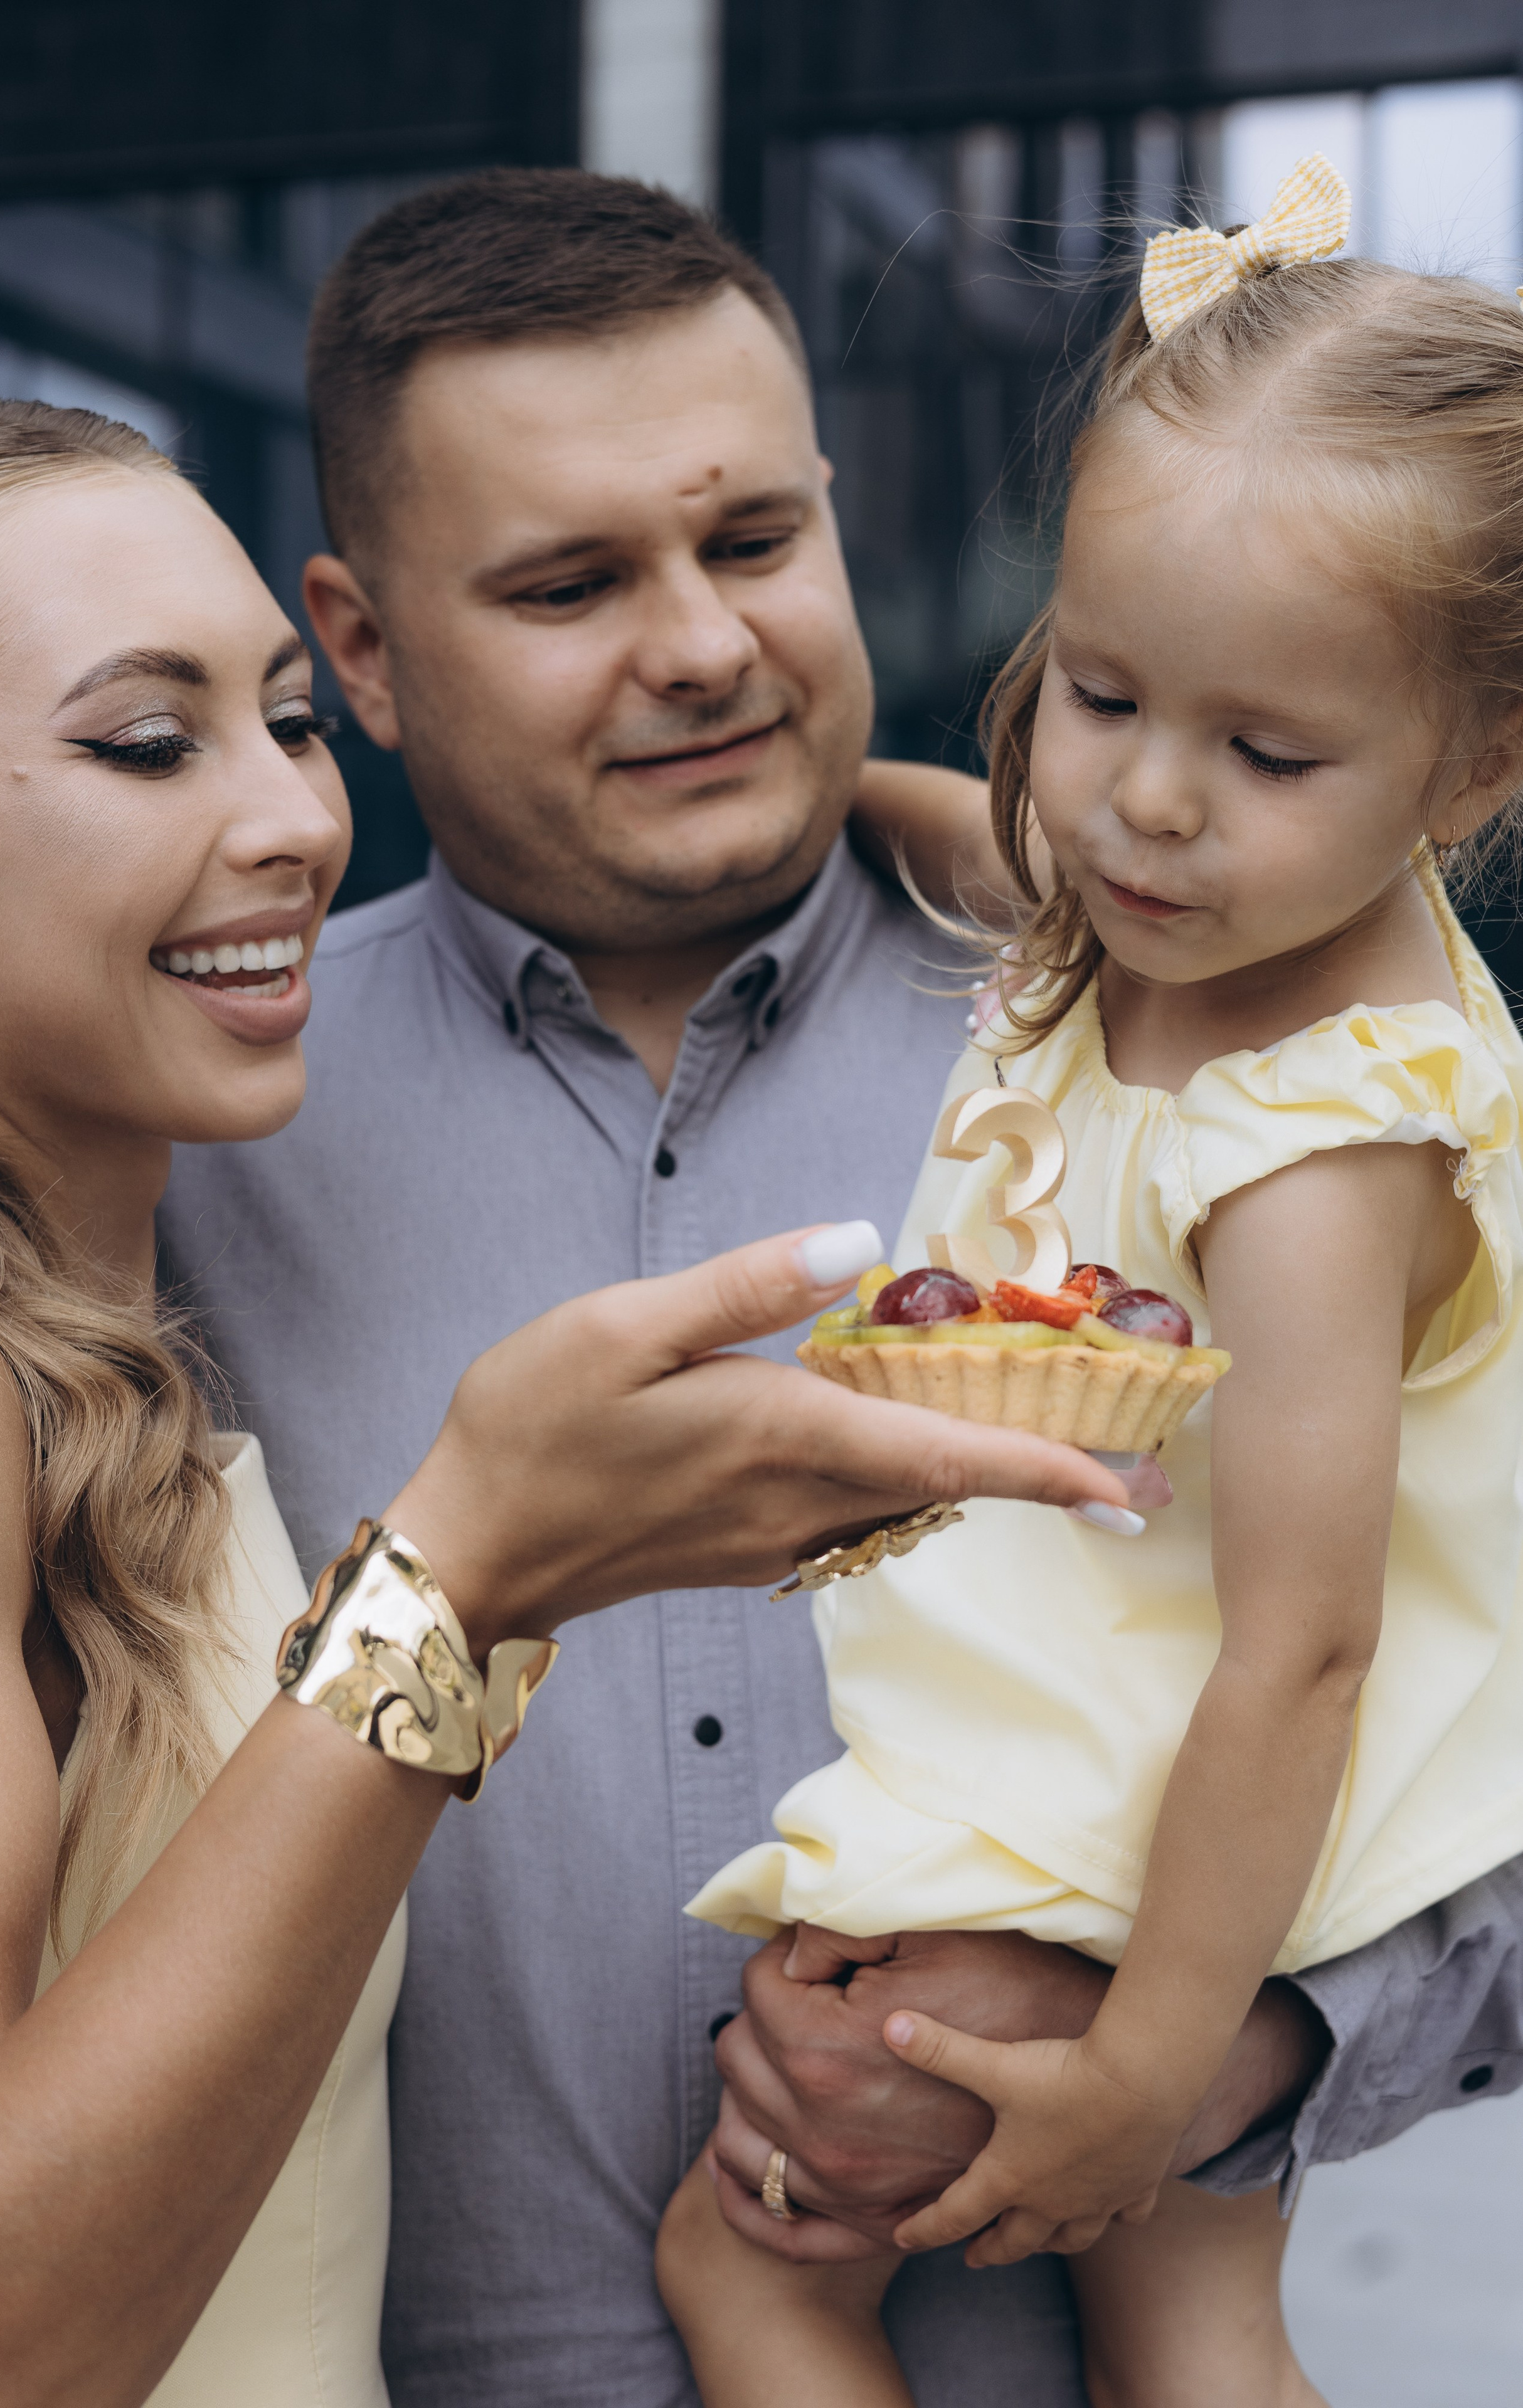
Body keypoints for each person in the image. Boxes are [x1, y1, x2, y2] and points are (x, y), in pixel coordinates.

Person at [161, 169, 1523, 2406]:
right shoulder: (193, 1155)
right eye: (571, 581)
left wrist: (1210, 2060)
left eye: (754, 543)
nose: (701, 644)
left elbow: (1430, 1697)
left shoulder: (1223, 1048)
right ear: (365, 650)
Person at [0, 391, 1138, 2408]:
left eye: (286, 724)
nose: (297, 819)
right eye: (148, 741)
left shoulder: (91, 1315)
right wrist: (459, 1590)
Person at [657, 162, 1523, 2407]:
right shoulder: (1179, 921)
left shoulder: (1318, 1149)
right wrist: (833, 781)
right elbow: (1012, 859)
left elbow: (1309, 1642)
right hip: (1182, 1845)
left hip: (1093, 1834)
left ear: (1482, 764)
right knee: (1203, 2334)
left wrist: (1153, 2067)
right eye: (1100, 692)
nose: (1144, 806)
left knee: (748, 2275)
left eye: (1261, 751)